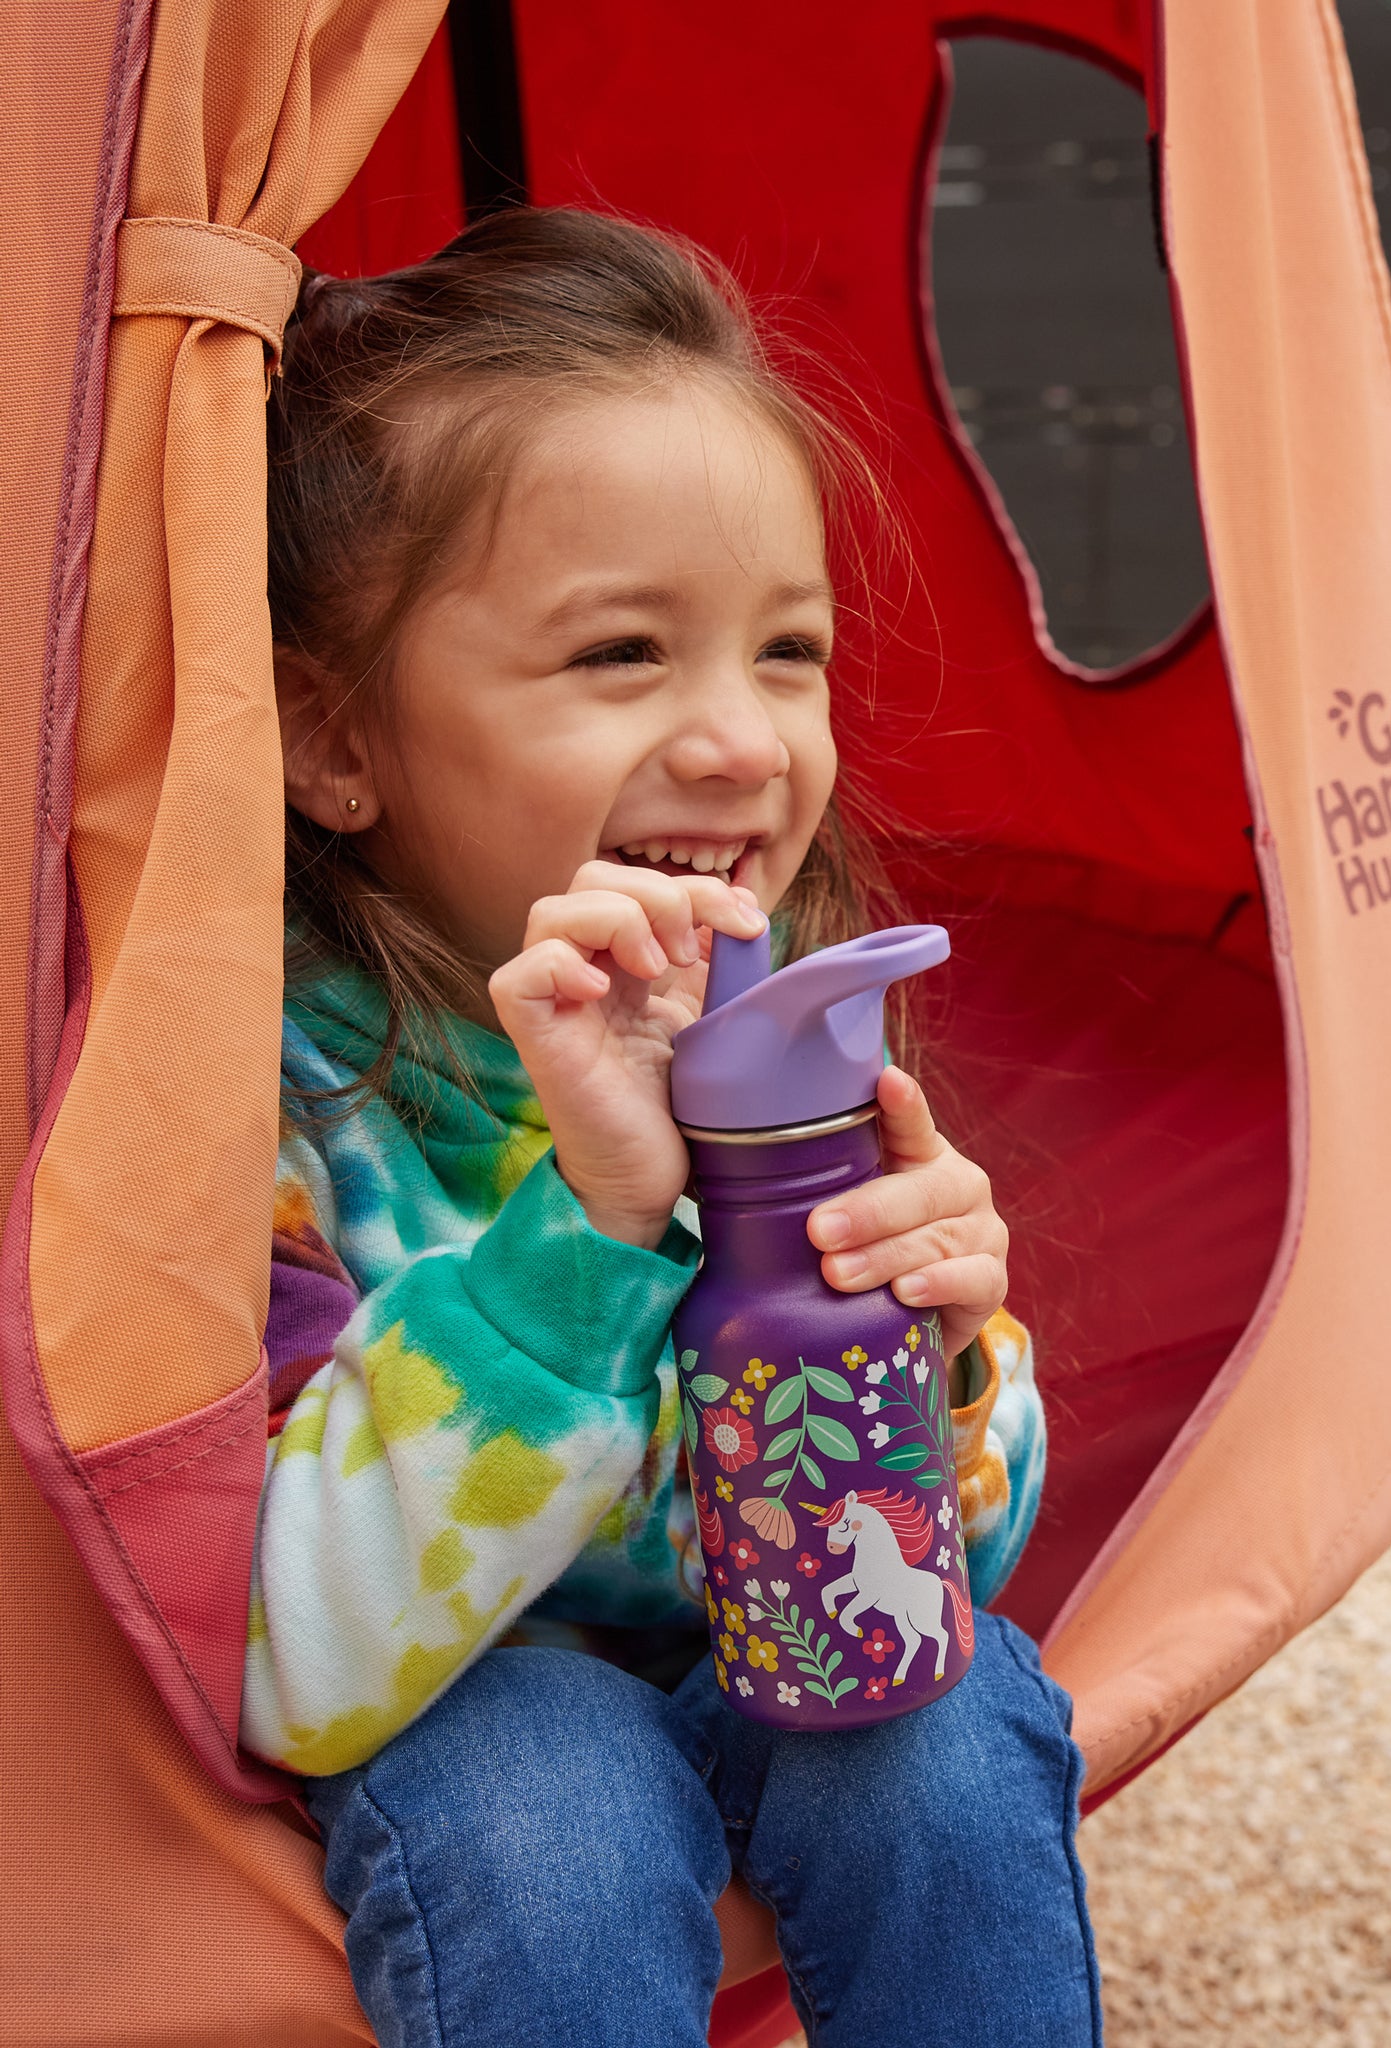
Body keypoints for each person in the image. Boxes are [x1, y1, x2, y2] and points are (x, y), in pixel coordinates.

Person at [250, 205, 1100, 2047]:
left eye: (785, 651)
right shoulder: (277, 1111)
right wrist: (592, 1228)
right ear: (333, 741)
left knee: (942, 1725)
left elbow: (952, 1567)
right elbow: (286, 1667)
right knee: (541, 1756)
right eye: (624, 653)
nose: (743, 742)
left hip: (780, 1682)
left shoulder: (793, 1036)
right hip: (469, 1746)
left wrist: (941, 1372)